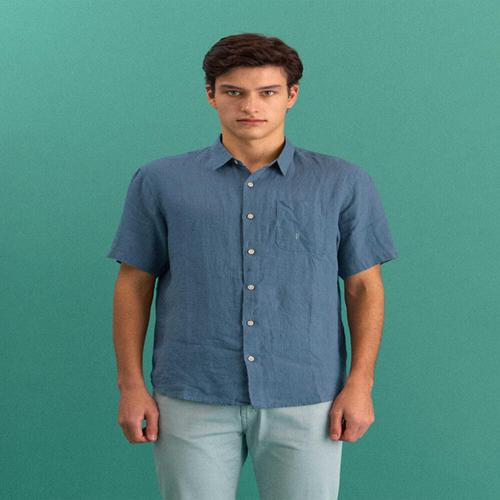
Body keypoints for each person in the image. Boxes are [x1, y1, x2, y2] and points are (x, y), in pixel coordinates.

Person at [106, 32, 398, 500]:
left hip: (307, 394)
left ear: (291, 95)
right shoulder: (160, 181)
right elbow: (133, 285)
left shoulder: (343, 183)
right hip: (192, 392)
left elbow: (364, 287)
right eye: (234, 92)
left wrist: (360, 384)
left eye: (267, 92)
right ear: (211, 94)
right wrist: (131, 385)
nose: (250, 106)